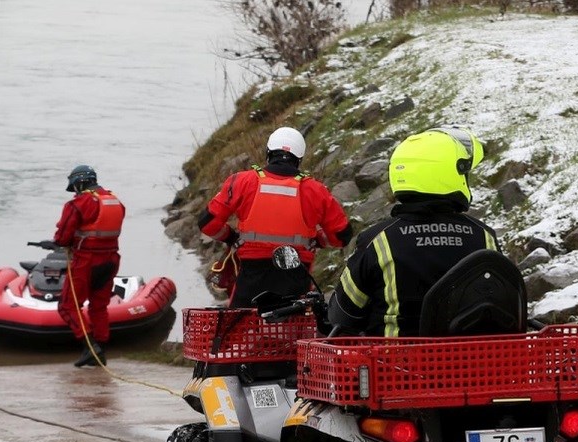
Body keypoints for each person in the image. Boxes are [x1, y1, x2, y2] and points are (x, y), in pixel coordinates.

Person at [330, 127, 503, 337]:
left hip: (395, 367)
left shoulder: (377, 240)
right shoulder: (485, 237)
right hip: (471, 366)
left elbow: (343, 312)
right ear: (447, 174)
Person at [198, 126, 352, 308]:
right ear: (299, 159)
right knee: (293, 331)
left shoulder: (242, 181)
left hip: (251, 278)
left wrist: (231, 238)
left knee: (240, 330)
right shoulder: (315, 191)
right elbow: (341, 236)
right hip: (295, 277)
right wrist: (316, 241)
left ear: (268, 153)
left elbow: (208, 223)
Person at [52, 164, 124, 367]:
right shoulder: (115, 200)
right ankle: (101, 351)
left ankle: (91, 347)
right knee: (99, 307)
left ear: (79, 183)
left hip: (86, 261)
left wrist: (59, 242)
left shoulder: (78, 203)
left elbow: (63, 236)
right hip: (111, 260)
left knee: (67, 306)